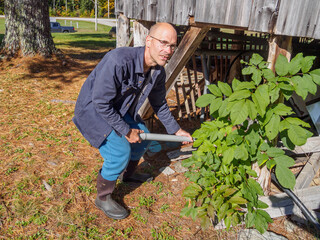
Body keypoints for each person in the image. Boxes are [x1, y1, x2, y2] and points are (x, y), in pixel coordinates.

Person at [72, 22, 193, 220]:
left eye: (172, 46)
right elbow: (101, 102)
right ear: (148, 41)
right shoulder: (119, 60)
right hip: (93, 110)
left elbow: (159, 104)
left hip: (116, 110)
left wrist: (176, 131)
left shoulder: (157, 72)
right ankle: (102, 197)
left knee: (143, 137)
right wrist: (126, 130)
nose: (168, 50)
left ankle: (127, 175)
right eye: (163, 43)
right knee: (120, 151)